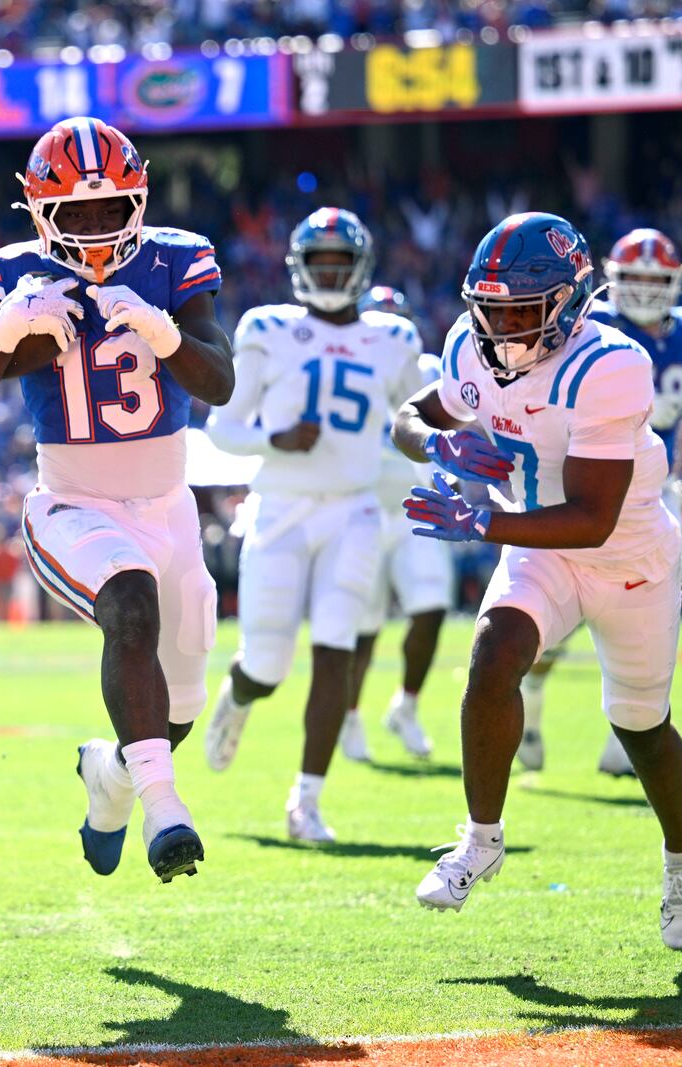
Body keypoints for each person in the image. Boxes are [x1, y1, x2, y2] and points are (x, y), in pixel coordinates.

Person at [393, 212, 682, 950]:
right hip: (539, 546)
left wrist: (479, 525)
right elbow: (411, 414)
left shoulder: (611, 365)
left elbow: (593, 518)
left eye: (521, 309)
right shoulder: (469, 350)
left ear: (569, 302)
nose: (501, 326)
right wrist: (436, 443)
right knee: (492, 656)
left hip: (626, 557)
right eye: (490, 307)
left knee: (640, 725)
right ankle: (480, 838)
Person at [0, 116, 233, 882]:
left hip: (170, 503)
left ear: (139, 199)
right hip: (72, 501)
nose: (97, 228)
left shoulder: (179, 258)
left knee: (182, 698)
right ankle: (166, 811)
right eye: (77, 213)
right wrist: (1, 332)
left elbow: (220, 383)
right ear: (39, 211)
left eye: (111, 208)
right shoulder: (9, 273)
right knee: (129, 606)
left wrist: (166, 337)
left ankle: (110, 777)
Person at [202, 215, 425, 843]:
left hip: (355, 511)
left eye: (338, 260)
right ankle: (240, 694)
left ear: (359, 266)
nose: (328, 271)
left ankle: (307, 801)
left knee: (338, 646)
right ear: (301, 264)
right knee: (268, 664)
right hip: (281, 508)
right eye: (318, 260)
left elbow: (423, 412)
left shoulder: (393, 337)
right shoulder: (269, 328)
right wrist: (275, 438)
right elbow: (222, 426)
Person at [517, 228, 682, 776]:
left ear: (675, 282)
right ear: (612, 279)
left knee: (649, 623)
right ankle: (533, 710)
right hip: (581, 487)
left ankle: (626, 741)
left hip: (652, 494)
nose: (642, 290)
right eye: (632, 277)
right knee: (556, 624)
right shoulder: (586, 328)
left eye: (654, 279)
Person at [348, 285, 453, 763]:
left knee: (431, 606)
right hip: (363, 508)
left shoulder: (429, 370)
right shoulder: (344, 365)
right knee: (362, 625)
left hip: (416, 505)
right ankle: (349, 716)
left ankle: (405, 706)